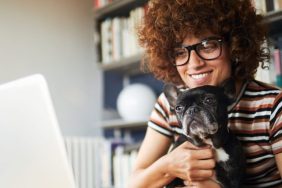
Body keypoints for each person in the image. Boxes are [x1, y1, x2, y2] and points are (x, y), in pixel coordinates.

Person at [127, 0, 282, 187]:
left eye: (208, 46)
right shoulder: (170, 104)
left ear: (234, 46)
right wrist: (168, 166)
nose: (194, 63)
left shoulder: (274, 105)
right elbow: (133, 184)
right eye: (180, 52)